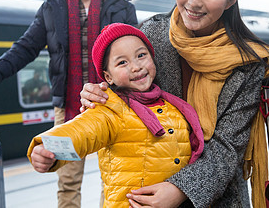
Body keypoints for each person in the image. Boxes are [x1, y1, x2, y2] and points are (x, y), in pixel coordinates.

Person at [80, 0, 269, 208]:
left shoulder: (248, 63)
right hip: (146, 188)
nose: (194, 1)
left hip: (217, 198)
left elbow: (228, 147)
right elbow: (126, 99)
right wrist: (98, 94)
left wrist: (179, 189)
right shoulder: (152, 35)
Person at [0, 0, 137, 208]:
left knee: (116, 177)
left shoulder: (121, 5)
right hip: (70, 105)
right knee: (68, 180)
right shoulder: (53, 8)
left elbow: (136, 50)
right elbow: (26, 47)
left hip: (114, 102)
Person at [27, 23, 204, 207]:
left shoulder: (173, 106)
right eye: (122, 62)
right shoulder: (110, 109)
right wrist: (48, 148)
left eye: (141, 55)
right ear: (108, 77)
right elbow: (82, 130)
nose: (135, 66)